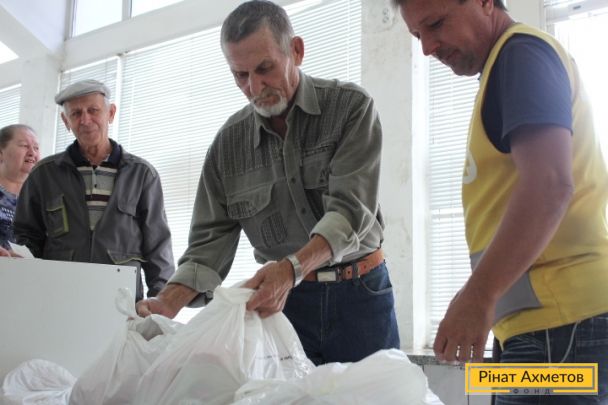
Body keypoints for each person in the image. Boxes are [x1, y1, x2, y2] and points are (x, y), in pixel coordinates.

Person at [137, 0, 400, 365]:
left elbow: (349, 213)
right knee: (290, 392)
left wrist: (290, 269)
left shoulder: (350, 108)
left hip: (360, 295)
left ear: (296, 51)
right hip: (286, 305)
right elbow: (207, 246)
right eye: (240, 75)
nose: (255, 87)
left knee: (375, 391)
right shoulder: (227, 146)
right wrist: (168, 302)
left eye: (265, 68)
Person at [394, 0, 608, 403]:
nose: (426, 48)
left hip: (560, 331)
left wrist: (478, 296)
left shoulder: (521, 55)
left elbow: (549, 185)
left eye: (436, 24)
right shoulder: (507, 65)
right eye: (417, 34)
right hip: (547, 330)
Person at [11, 79, 175, 302]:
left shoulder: (142, 174)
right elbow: (26, 236)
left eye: (93, 110)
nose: (85, 120)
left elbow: (158, 246)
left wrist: (160, 301)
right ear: (66, 121)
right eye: (76, 113)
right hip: (59, 294)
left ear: (111, 113)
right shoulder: (44, 174)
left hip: (121, 298)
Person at [0, 124, 40, 250]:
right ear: (1, 153)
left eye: (36, 148)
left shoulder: (43, 197)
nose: (32, 153)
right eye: (24, 146)